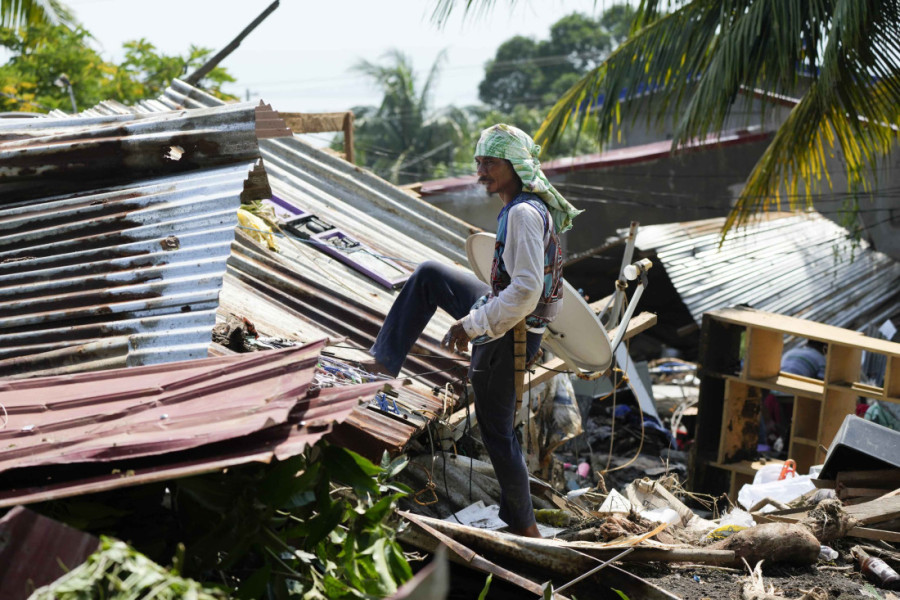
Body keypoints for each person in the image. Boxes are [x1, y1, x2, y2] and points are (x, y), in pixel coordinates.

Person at [363, 124, 581, 538]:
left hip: (512, 328)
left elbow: (527, 290)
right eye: (478, 162)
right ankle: (383, 359)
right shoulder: (521, 206)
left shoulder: (522, 213)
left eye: (490, 163)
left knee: (497, 431)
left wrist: (472, 323)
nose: (481, 171)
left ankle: (525, 525)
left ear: (515, 166)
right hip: (504, 309)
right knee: (430, 275)